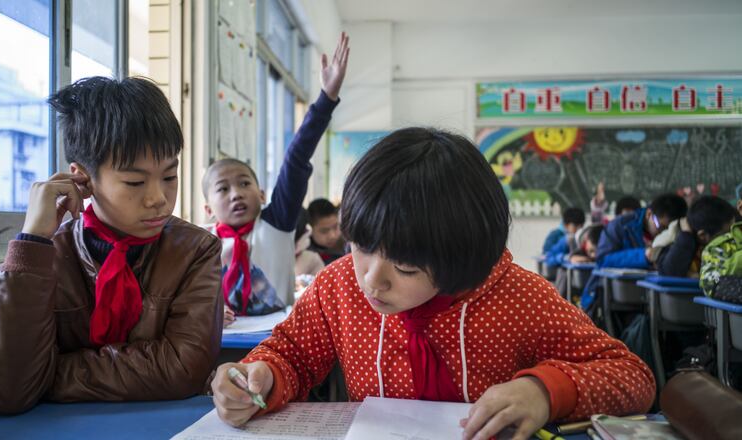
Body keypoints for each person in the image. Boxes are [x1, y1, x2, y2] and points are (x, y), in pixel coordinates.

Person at [210, 127, 655, 440]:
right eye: (361, 245)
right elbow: (290, 352)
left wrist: (545, 390)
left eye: (405, 269)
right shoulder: (340, 286)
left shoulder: (519, 298)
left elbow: (632, 376)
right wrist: (259, 377)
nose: (372, 279)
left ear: (461, 259)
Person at [0, 77, 223, 414]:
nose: (159, 199)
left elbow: (182, 369)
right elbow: (7, 390)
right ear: (81, 178)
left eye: (169, 177)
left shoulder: (195, 250)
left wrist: (42, 379)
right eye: (135, 182)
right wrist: (31, 240)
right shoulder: (45, 254)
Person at [202, 33, 349, 316]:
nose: (236, 193)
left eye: (245, 184)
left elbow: (295, 160)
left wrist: (326, 100)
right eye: (223, 189)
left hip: (273, 339)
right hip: (217, 339)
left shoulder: (276, 223)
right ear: (207, 208)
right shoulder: (201, 243)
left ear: (261, 194)